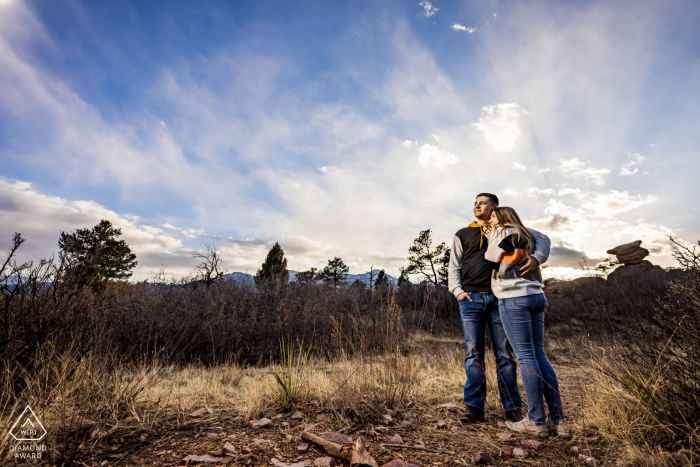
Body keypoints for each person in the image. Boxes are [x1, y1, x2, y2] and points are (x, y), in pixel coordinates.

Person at [448, 193, 550, 423]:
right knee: (474, 354)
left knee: (505, 355)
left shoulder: (508, 228)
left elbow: (542, 237)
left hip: (501, 300)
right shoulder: (463, 233)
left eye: (482, 202)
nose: (476, 205)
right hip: (470, 299)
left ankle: (512, 408)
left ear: (495, 208)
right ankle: (474, 407)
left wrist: (536, 258)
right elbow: (454, 265)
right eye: (474, 202)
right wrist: (458, 292)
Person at [484, 206, 570, 438]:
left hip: (513, 299)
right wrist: (536, 257)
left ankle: (536, 421)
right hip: (536, 296)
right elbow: (545, 237)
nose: (490, 220)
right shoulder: (525, 233)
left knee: (526, 357)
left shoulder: (501, 232)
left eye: (493, 216)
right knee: (539, 355)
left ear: (502, 217)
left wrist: (491, 237)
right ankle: (559, 421)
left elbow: (491, 260)